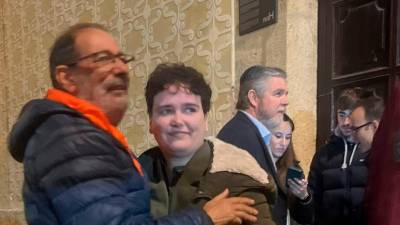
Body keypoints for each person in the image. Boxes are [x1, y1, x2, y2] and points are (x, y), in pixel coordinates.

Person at [7, 23, 259, 225]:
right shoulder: (72, 138)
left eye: (121, 59)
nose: (119, 68)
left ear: (206, 119)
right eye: (103, 58)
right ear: (66, 76)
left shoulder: (240, 175)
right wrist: (204, 218)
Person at [139, 63, 277, 225]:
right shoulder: (136, 173)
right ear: (150, 122)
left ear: (205, 120)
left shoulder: (240, 179)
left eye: (189, 109)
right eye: (166, 111)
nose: (178, 120)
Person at [217, 65, 303, 225]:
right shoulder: (239, 137)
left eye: (286, 94)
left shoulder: (249, 132)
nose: (286, 101)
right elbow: (246, 208)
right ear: (254, 98)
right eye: (278, 94)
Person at [308, 87, 383, 225]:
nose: (345, 122)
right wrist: (302, 198)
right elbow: (313, 202)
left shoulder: (375, 151)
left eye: (350, 115)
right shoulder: (323, 155)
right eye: (341, 115)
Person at [269, 114, 313, 224]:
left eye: (288, 137)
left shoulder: (293, 169)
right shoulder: (253, 164)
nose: (283, 143)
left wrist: (304, 197)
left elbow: (305, 219)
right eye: (278, 136)